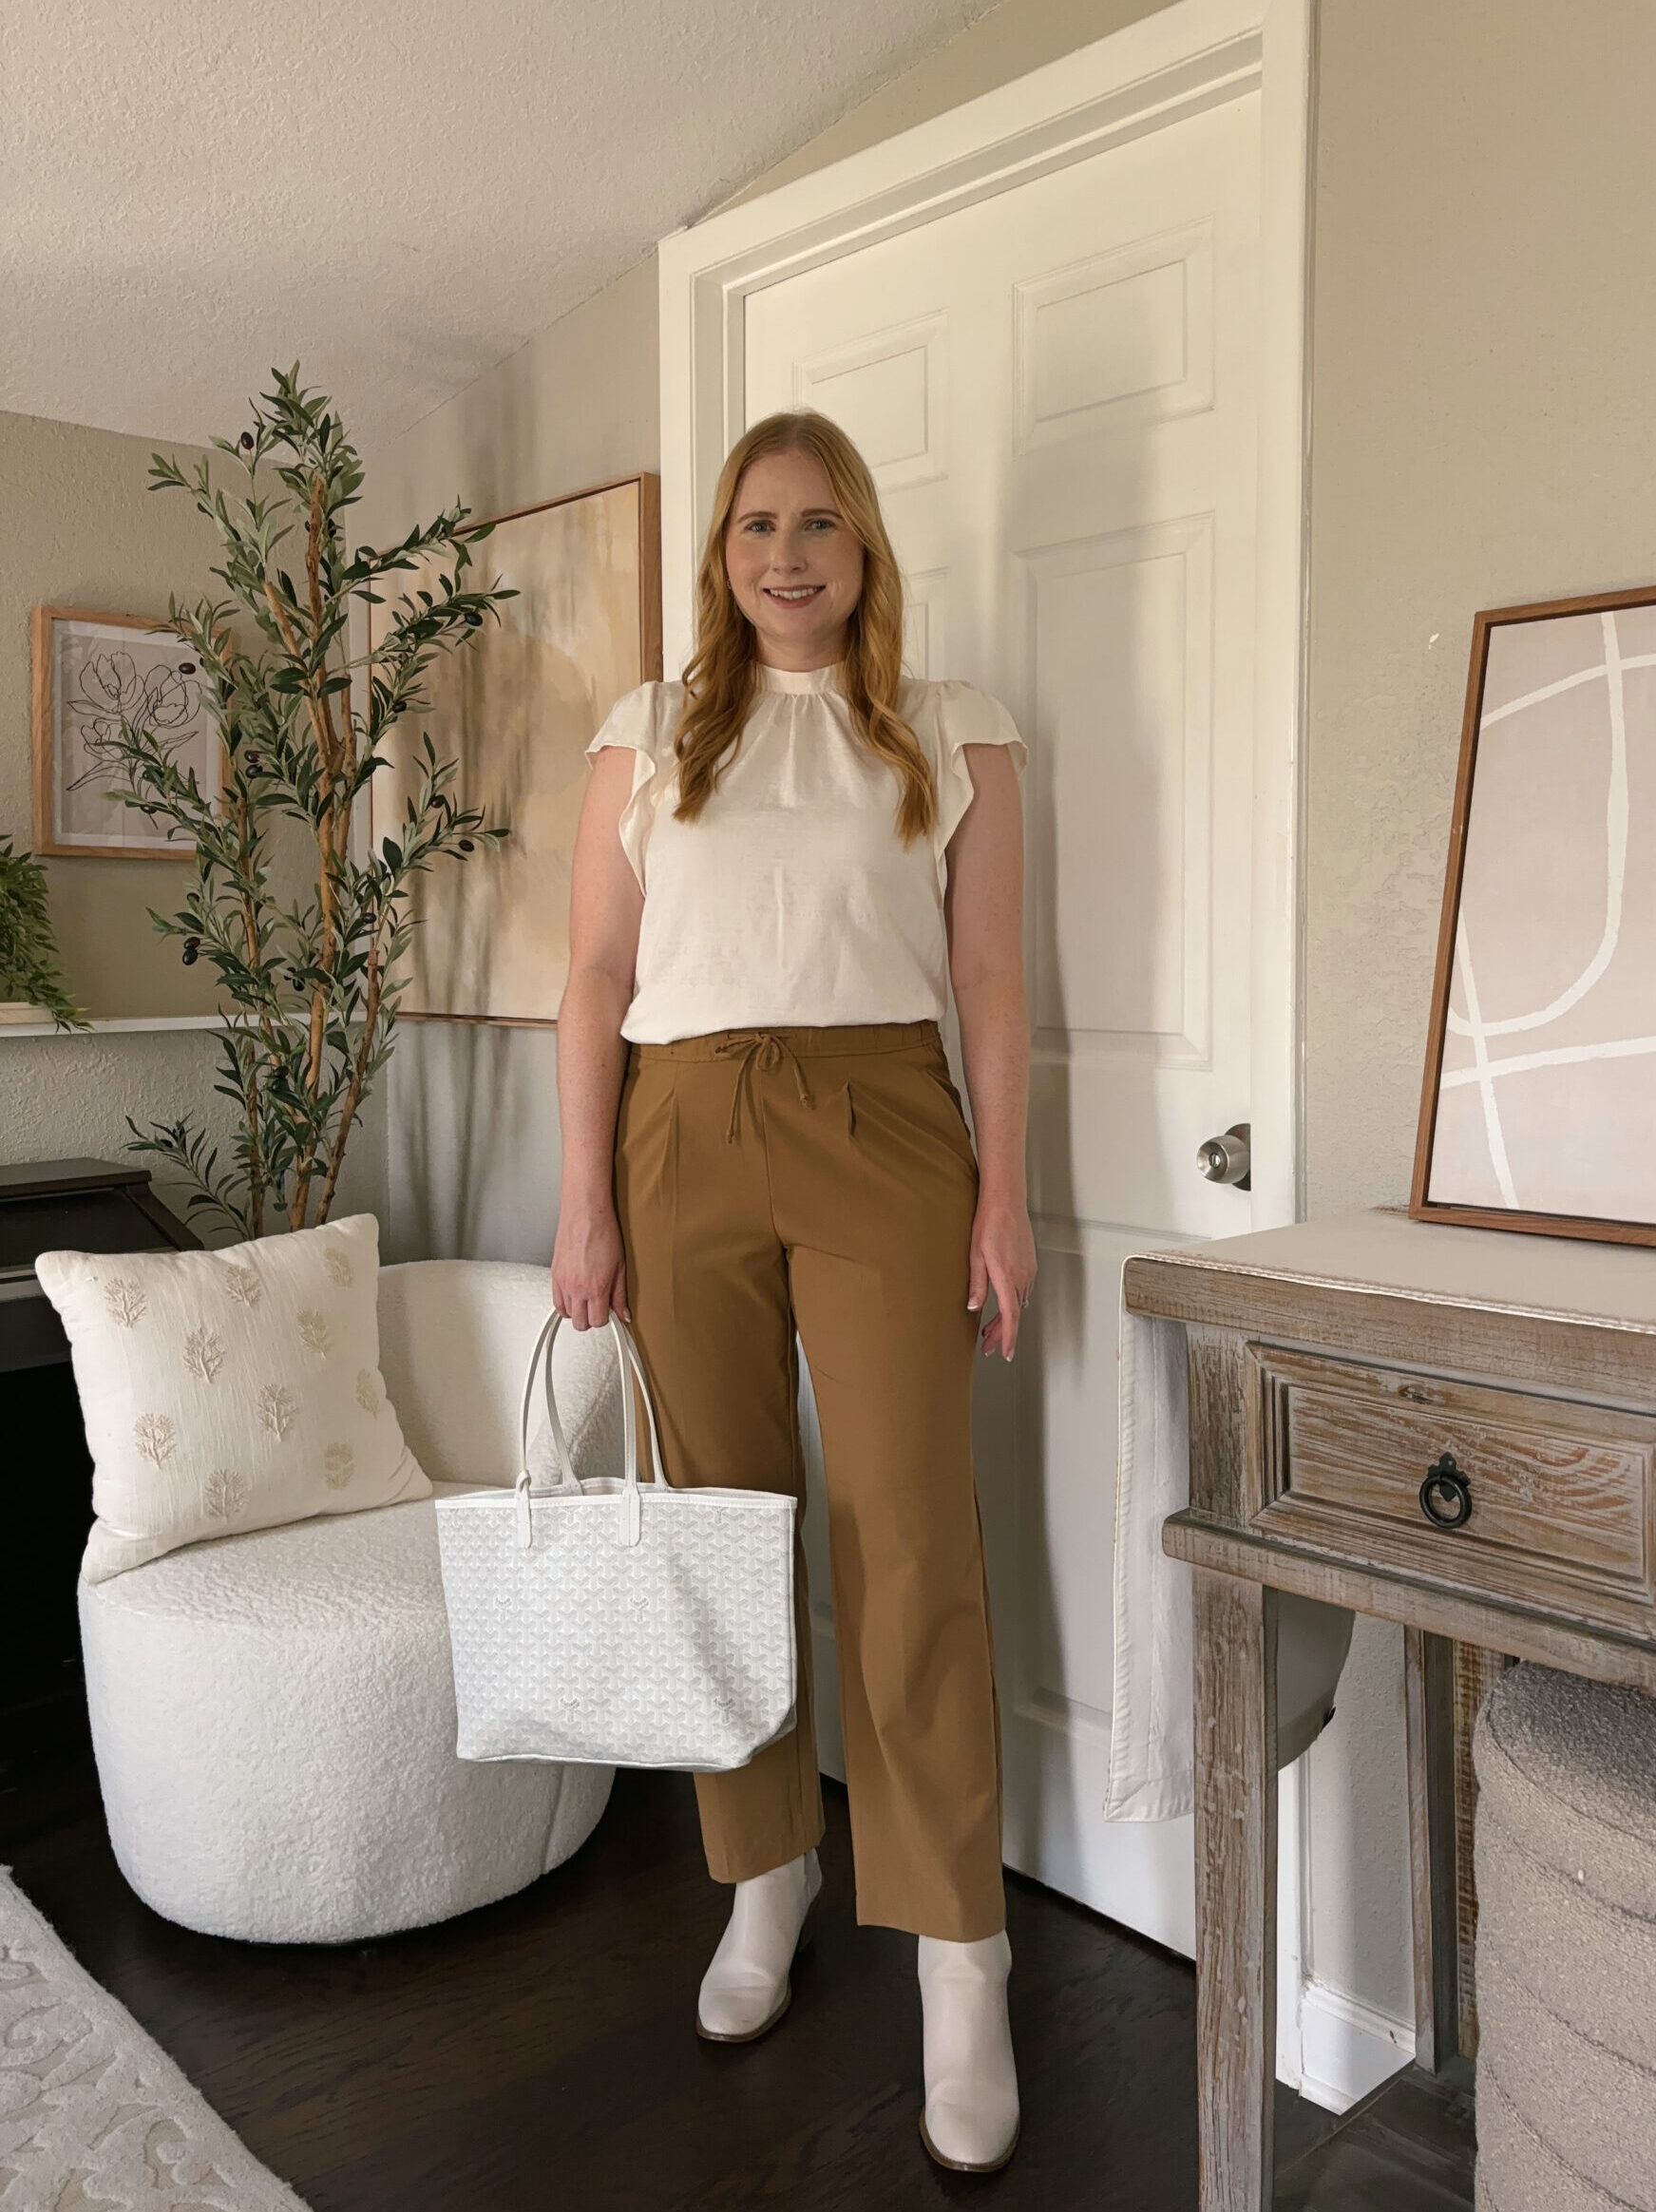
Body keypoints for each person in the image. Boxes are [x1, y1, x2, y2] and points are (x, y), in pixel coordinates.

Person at [551, 408, 1036, 2174]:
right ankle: (769, 1873)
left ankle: (961, 1952)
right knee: (722, 1530)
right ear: (722, 552)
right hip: (679, 1127)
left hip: (886, 1123)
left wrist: (1010, 1197)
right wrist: (581, 1198)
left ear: (864, 543)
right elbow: (595, 975)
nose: (786, 552)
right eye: (757, 523)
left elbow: (989, 984)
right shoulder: (649, 731)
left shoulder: (954, 728)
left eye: (819, 521)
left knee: (909, 1533)